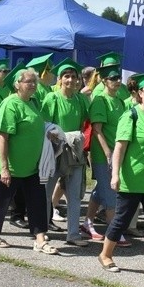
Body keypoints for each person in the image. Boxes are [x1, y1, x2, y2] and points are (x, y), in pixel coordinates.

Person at [98, 72, 144, 279]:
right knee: (121, 220)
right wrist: (115, 175)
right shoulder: (131, 116)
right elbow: (119, 147)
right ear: (140, 93)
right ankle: (105, 255)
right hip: (132, 180)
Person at [0, 66, 58, 254]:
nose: (33, 84)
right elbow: (3, 137)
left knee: (37, 202)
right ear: (18, 84)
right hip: (13, 165)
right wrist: (5, 167)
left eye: (34, 81)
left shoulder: (34, 103)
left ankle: (40, 239)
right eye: (28, 81)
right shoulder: (11, 104)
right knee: (2, 200)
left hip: (33, 166)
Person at [41, 58, 91, 246]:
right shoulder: (52, 98)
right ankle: (42, 230)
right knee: (46, 194)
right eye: (66, 76)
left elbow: (85, 122)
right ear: (60, 79)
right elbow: (45, 126)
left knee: (75, 195)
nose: (70, 80)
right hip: (54, 153)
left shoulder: (79, 99)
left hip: (74, 154)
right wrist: (61, 137)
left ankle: (73, 234)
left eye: (73, 77)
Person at [82, 62, 129, 244]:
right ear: (103, 80)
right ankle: (114, 232)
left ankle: (87, 223)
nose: (117, 81)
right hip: (103, 153)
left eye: (118, 78)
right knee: (110, 191)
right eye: (112, 78)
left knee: (100, 189)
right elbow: (97, 129)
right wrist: (108, 152)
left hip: (116, 153)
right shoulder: (100, 100)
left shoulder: (119, 101)